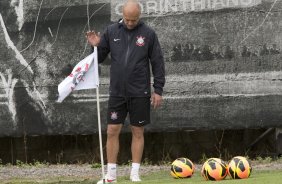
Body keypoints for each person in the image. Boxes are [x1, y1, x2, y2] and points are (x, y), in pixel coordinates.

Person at [86, 0, 165, 183]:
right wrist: (95, 46)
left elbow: (158, 63)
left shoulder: (149, 34)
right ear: (122, 15)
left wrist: (158, 89)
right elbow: (97, 59)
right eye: (127, 19)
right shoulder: (111, 31)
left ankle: (134, 173)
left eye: (134, 20)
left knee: (138, 131)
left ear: (139, 16)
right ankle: (111, 175)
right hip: (117, 92)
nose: (130, 23)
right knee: (112, 130)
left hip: (140, 92)